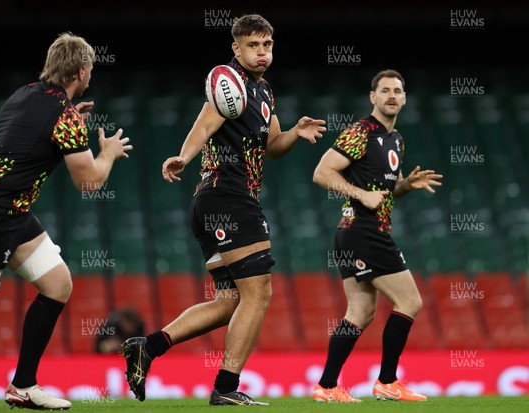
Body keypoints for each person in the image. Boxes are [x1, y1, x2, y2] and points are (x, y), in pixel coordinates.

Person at [121, 14, 326, 406]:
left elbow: (272, 146)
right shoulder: (228, 83)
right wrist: (182, 156)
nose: (262, 52)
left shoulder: (264, 91)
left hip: (217, 202)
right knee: (259, 293)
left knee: (231, 300)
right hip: (227, 196)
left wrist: (295, 134)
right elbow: (205, 121)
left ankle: (147, 348)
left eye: (267, 45)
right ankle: (226, 388)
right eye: (253, 45)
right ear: (236, 48)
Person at [0, 32, 132, 410]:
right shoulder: (64, 117)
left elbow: (26, 134)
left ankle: (23, 385)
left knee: (58, 284)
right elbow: (88, 183)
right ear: (82, 70)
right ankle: (22, 385)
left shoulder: (24, 94)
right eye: (90, 68)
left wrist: (69, 121)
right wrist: (107, 152)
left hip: (9, 209)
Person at [311, 69, 442, 402]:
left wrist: (405, 186)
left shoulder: (396, 138)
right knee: (410, 301)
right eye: (385, 90)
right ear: (373, 97)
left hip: (352, 234)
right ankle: (386, 381)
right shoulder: (360, 131)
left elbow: (389, 190)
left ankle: (326, 387)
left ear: (405, 98)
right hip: (363, 231)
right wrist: (360, 194)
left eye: (398, 90)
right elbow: (322, 172)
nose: (392, 96)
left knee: (360, 312)